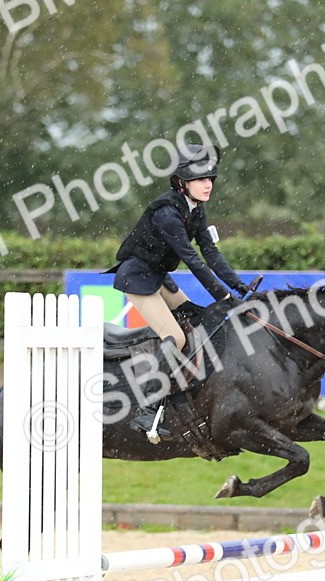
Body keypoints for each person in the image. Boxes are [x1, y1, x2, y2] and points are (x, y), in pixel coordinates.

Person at [109, 143, 250, 438]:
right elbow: (193, 261)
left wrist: (239, 285)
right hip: (137, 279)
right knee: (174, 336)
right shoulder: (166, 214)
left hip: (158, 277)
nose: (208, 184)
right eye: (201, 179)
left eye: (210, 178)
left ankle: (184, 396)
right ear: (181, 183)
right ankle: (146, 411)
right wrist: (224, 297)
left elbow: (211, 253)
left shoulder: (197, 211)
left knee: (198, 322)